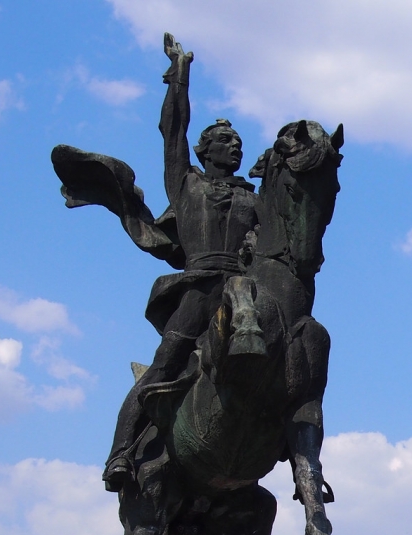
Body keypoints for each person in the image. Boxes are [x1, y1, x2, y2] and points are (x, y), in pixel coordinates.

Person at [102, 33, 260, 492]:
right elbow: (172, 131)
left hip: (245, 290)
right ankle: (120, 454)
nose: (234, 148)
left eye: (238, 142)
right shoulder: (186, 184)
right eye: (225, 142)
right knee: (163, 367)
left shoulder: (254, 198)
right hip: (199, 290)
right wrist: (180, 79)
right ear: (204, 150)